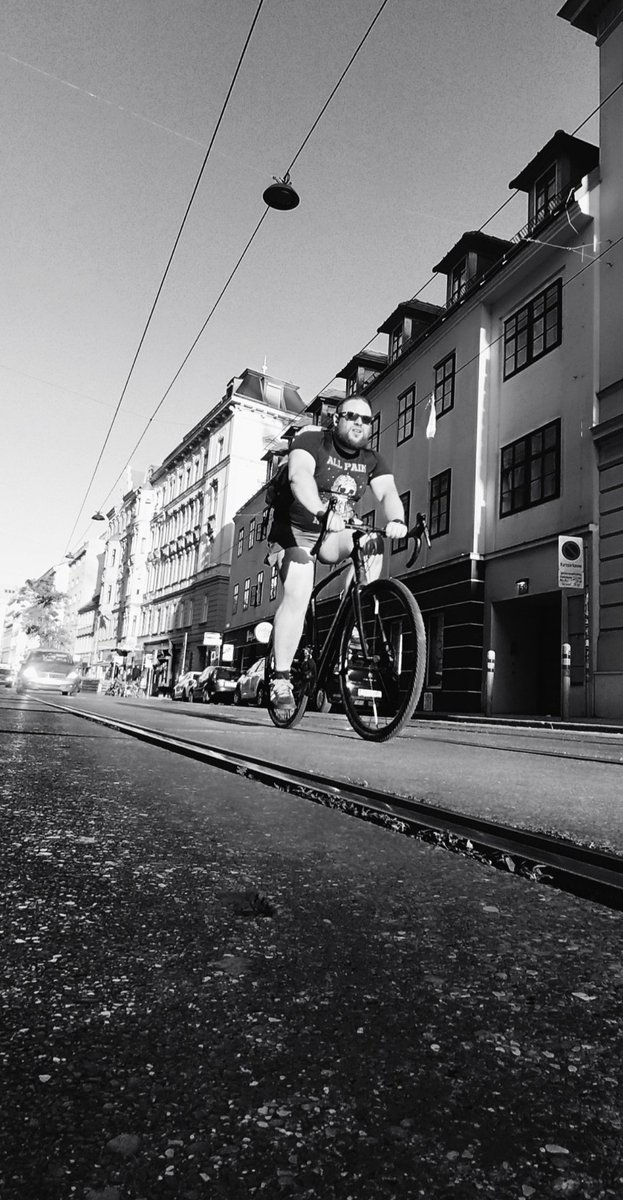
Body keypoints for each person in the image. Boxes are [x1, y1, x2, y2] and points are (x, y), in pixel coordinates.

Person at [266, 394, 407, 708]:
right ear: (336, 418)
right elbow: (299, 476)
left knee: (371, 542)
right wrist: (319, 511)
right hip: (297, 531)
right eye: (351, 416)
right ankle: (281, 678)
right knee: (298, 593)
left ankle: (351, 622)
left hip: (333, 533)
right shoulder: (312, 439)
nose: (359, 423)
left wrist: (397, 519)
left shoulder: (372, 459)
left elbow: (388, 493)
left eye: (366, 419)